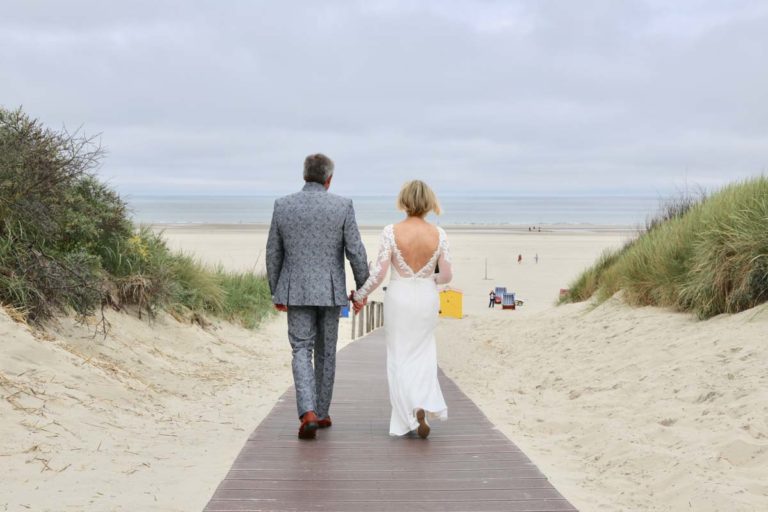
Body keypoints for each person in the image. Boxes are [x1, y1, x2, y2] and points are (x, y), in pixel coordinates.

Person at [266, 153, 369, 440]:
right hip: (330, 290)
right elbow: (355, 251)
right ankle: (320, 413)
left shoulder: (283, 205)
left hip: (295, 289)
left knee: (301, 349)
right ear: (329, 178)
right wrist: (362, 288)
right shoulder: (342, 206)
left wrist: (276, 289)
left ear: (304, 175)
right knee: (326, 351)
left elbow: (273, 251)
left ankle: (307, 412)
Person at [352, 180, 452, 439]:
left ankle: (407, 412)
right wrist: (429, 279)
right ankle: (421, 404)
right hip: (427, 297)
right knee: (424, 352)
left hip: (400, 297)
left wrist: (360, 295)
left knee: (399, 355)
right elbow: (447, 276)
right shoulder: (439, 234)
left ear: (404, 201)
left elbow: (380, 273)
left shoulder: (390, 231)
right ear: (429, 202)